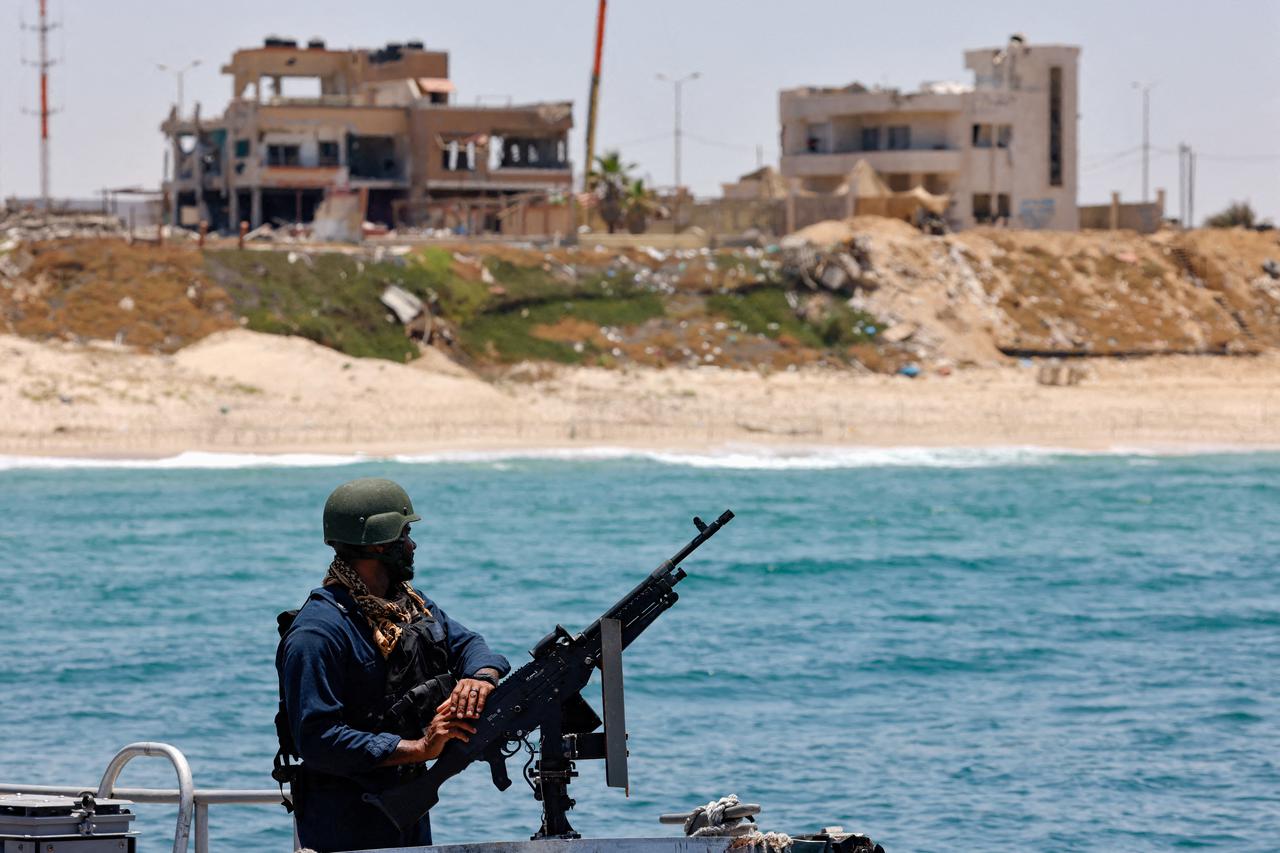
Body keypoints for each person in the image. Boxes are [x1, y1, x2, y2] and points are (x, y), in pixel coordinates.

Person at [275, 477, 510, 852]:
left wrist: (481, 678)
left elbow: (469, 644)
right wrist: (420, 748)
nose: (412, 545)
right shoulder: (317, 634)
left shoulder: (410, 606)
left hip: (407, 811)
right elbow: (318, 740)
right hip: (346, 821)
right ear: (380, 543)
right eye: (405, 534)